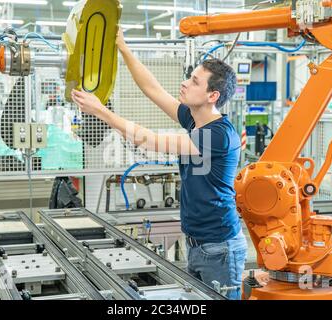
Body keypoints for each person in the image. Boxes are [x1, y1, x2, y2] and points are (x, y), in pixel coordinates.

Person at [71, 29, 248, 300]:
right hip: (198, 243)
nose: (186, 83)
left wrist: (101, 111)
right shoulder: (193, 118)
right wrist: (123, 48)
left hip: (220, 248)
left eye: (195, 81)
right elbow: (151, 89)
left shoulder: (217, 135)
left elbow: (147, 140)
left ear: (212, 95)